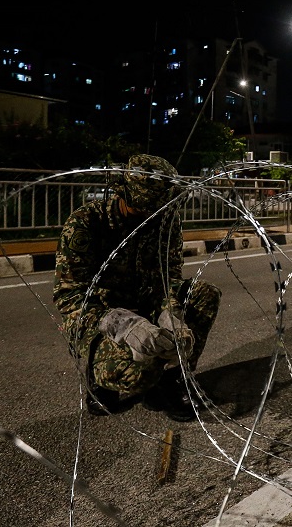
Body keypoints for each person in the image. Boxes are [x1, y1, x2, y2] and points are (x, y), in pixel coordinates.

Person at [54, 154, 222, 421]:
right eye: (145, 208)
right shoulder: (86, 222)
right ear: (126, 196)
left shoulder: (164, 221)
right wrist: (120, 323)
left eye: (157, 209)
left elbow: (169, 279)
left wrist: (171, 314)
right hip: (101, 316)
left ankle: (174, 377)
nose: (150, 215)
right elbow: (69, 295)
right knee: (136, 375)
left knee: (204, 294)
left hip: (147, 304)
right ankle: (99, 376)